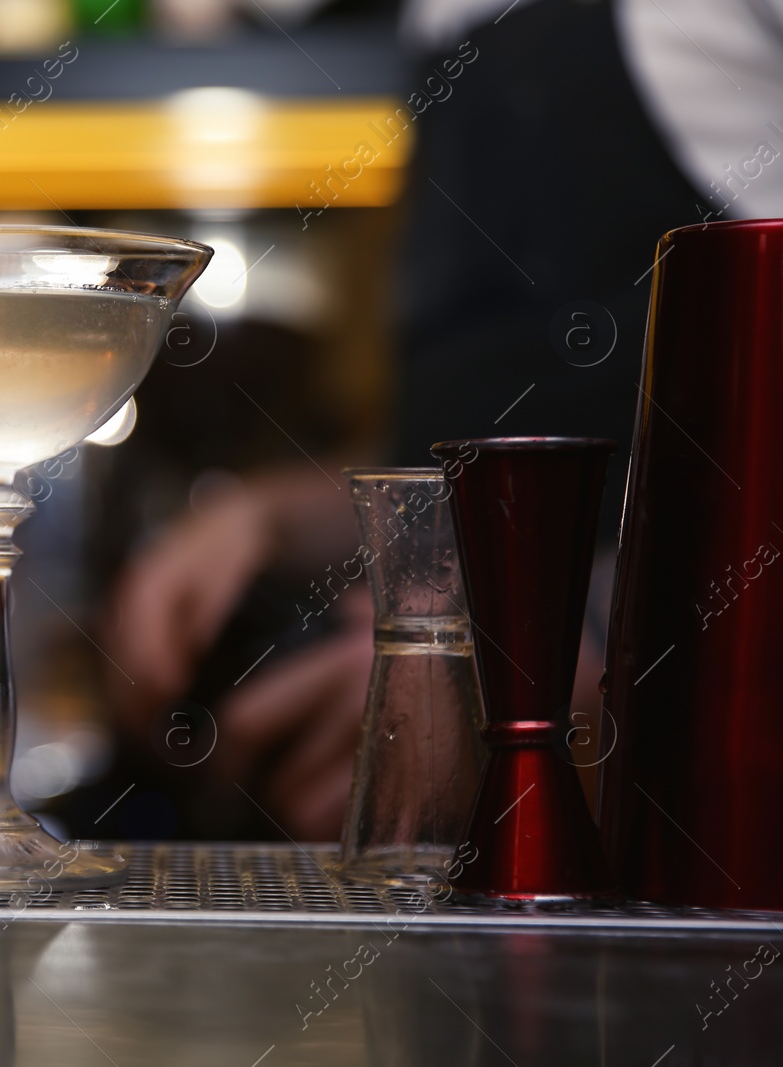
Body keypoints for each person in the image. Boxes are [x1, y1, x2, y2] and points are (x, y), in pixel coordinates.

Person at [101, 0, 783, 840]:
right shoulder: (436, 28)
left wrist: (542, 668)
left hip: (697, 830)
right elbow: (501, 444)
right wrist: (283, 516)